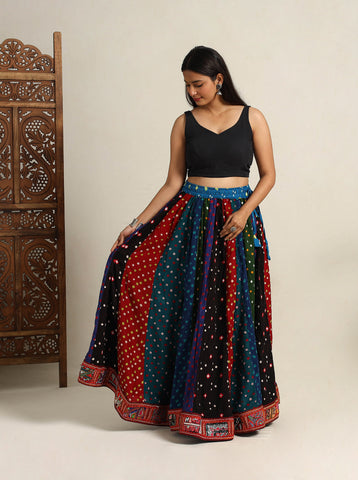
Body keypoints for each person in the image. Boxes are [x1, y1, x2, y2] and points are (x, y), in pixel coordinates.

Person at [78, 46, 279, 441]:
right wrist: (135, 224)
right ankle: (186, 406)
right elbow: (173, 182)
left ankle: (240, 409)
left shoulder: (253, 117)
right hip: (192, 223)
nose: (192, 92)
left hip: (237, 225)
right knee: (191, 308)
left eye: (198, 84)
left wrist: (244, 213)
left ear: (218, 79)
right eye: (187, 85)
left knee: (236, 311)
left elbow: (269, 175)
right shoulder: (183, 124)